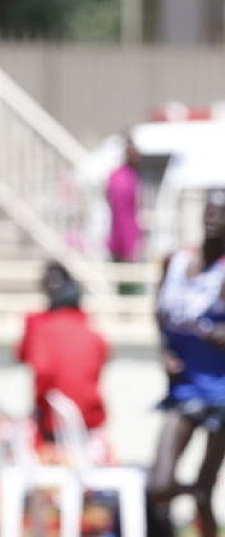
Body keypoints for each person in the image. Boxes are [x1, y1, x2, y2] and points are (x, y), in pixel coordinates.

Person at [146, 188, 225, 537]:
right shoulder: (176, 263)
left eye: (222, 213)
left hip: (221, 393)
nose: (214, 219)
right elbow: (158, 311)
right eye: (210, 210)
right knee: (158, 485)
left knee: (205, 492)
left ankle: (203, 503)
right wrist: (164, 350)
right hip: (184, 389)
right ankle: (198, 494)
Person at [16, 261, 111, 458]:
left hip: (55, 421)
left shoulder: (41, 327)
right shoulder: (90, 330)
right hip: (89, 419)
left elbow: (33, 364)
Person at [106, 133, 144, 294]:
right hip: (122, 245)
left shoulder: (128, 176)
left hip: (127, 242)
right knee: (129, 292)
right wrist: (128, 247)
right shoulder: (121, 179)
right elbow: (122, 216)